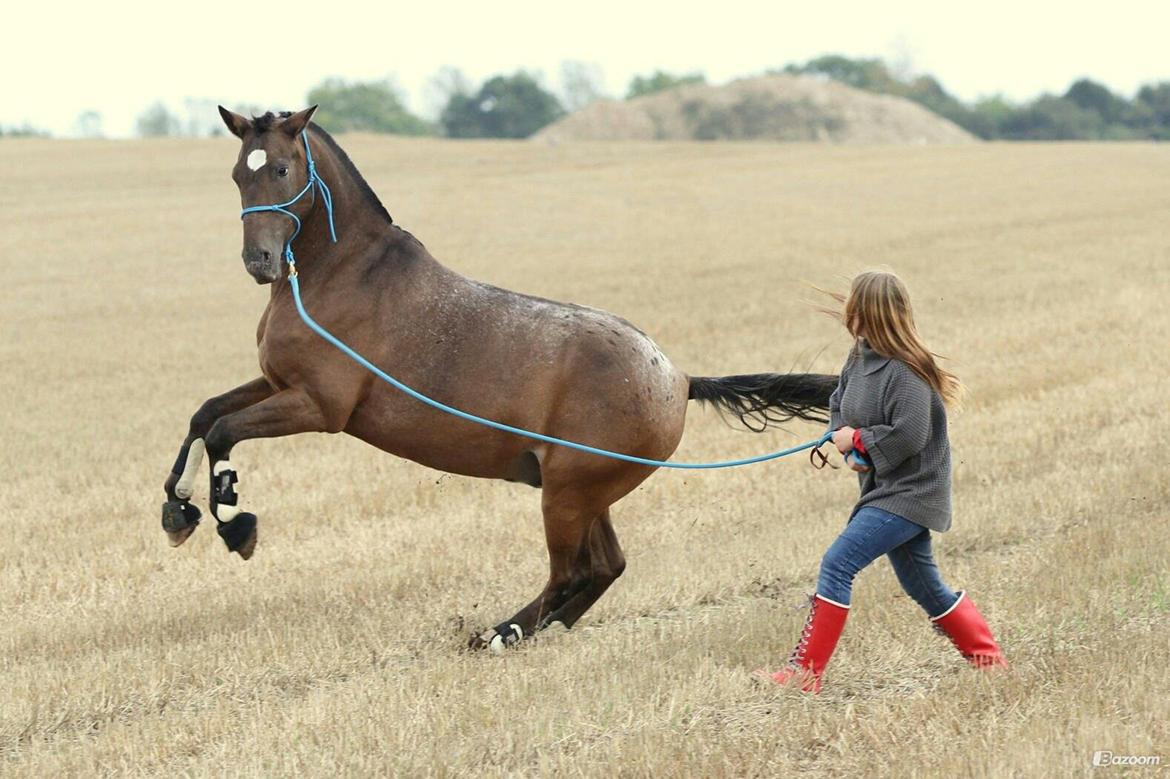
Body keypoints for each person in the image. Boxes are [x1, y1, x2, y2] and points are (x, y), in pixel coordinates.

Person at [759, 271, 1007, 693]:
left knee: (838, 564)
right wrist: (846, 442)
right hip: (884, 490)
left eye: (852, 307)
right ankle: (990, 661)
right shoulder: (860, 357)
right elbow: (840, 402)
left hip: (910, 496)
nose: (845, 314)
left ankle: (805, 675)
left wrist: (857, 440)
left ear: (866, 312)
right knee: (925, 587)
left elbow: (909, 435)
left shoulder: (907, 374)